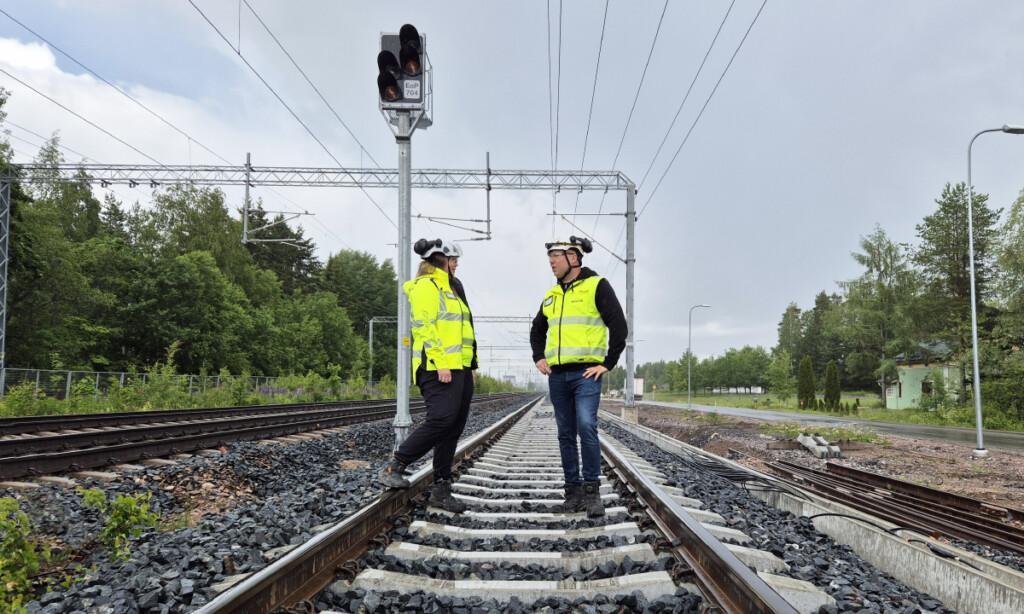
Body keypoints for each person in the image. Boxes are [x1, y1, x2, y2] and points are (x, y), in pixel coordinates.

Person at [377, 238, 477, 513]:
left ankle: (442, 489)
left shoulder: (453, 288)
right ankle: (395, 464)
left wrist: (471, 366)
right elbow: (423, 326)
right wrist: (440, 362)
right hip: (437, 367)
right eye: (453, 260)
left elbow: (464, 330)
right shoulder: (425, 287)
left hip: (460, 367)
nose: (456, 264)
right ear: (440, 261)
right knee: (441, 419)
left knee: (453, 426)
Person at [530, 236, 627, 517]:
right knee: (564, 434)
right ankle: (572, 492)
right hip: (558, 376)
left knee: (586, 426)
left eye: (556, 256)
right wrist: (539, 356)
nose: (551, 262)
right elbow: (537, 329)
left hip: (586, 373)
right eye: (550, 257)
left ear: (573, 257)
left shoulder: (597, 286)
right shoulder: (552, 295)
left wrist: (608, 363)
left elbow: (619, 326)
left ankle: (591, 491)